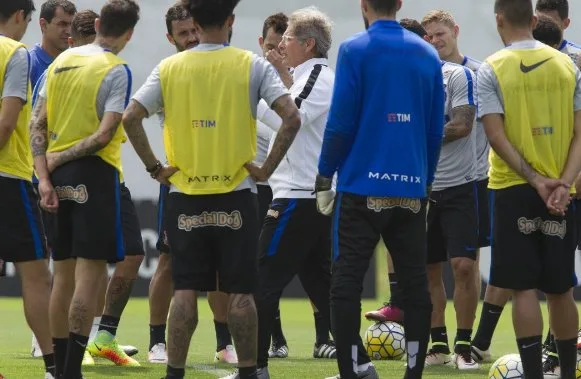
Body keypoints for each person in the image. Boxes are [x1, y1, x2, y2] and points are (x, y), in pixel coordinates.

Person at [121, 0, 301, 377]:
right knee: (239, 289)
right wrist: (266, 169)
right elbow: (291, 116)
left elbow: (131, 117)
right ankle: (249, 370)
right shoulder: (251, 64)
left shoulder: (169, 67)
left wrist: (155, 167)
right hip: (237, 193)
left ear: (195, 24)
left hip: (185, 194)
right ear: (231, 21)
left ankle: (174, 371)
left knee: (184, 289)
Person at [315, 0, 444, 377]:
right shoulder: (426, 52)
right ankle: (414, 371)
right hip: (412, 187)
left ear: (363, 5)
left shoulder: (355, 49)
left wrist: (325, 175)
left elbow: (340, 123)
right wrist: (427, 178)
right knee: (415, 282)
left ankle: (352, 370)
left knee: (347, 281)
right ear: (400, 3)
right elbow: (435, 128)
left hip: (361, 187)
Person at [30, 1, 141, 377]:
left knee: (61, 274)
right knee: (89, 275)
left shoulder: (60, 63)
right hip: (94, 174)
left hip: (55, 178)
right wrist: (60, 161)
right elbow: (105, 134)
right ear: (129, 34)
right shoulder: (117, 69)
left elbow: (37, 125)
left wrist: (44, 175)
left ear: (95, 24)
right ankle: (72, 370)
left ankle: (57, 368)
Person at [477, 0, 581, 377]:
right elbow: (580, 135)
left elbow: (495, 135)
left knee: (522, 289)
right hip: (561, 194)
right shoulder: (568, 65)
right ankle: (568, 374)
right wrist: (563, 185)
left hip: (513, 189)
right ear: (535, 20)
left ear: (499, 19)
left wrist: (536, 181)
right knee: (560, 288)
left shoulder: (491, 67)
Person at [147, 3, 237, 365]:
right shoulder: (168, 72)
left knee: (219, 267)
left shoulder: (227, 63)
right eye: (182, 33)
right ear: (170, 37)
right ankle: (157, 342)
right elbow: (135, 114)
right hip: (181, 182)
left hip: (222, 178)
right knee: (168, 263)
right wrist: (156, 166)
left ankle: (223, 343)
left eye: (193, 30)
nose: (190, 38)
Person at [253, 7, 337, 376]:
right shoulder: (300, 75)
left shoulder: (317, 74)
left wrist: (256, 95)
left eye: (286, 38)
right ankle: (360, 364)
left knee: (260, 279)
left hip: (299, 196)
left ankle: (252, 367)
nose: (280, 45)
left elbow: (291, 118)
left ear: (308, 44)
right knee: (324, 289)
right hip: (300, 193)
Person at [419, 10, 480, 370]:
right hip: (423, 187)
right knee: (428, 269)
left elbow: (463, 124)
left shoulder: (460, 74)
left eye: (439, 34)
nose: (434, 41)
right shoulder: (417, 77)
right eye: (428, 36)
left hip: (460, 184)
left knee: (462, 266)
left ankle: (465, 345)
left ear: (453, 33)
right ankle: (438, 344)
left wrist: (419, 134)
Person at [0, 1, 56, 378]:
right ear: (20, 15)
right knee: (36, 273)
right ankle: (56, 367)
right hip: (8, 177)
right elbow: (7, 124)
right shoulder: (15, 53)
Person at [256, 12, 291, 359]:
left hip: (287, 187)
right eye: (269, 47)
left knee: (313, 271)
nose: (274, 54)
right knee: (260, 265)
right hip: (256, 184)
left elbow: (292, 124)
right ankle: (271, 341)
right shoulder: (252, 76)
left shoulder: (300, 81)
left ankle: (330, 340)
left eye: (280, 47)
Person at [29, 0, 76, 97]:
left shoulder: (76, 63)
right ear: (44, 25)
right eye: (62, 24)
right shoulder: (29, 65)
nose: (68, 31)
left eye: (71, 25)